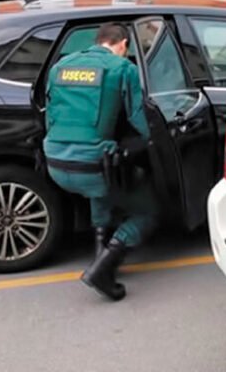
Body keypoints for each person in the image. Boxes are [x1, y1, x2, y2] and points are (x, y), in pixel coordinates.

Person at [44, 22, 152, 301]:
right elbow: (139, 118)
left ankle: (99, 253)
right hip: (93, 166)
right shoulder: (123, 69)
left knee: (101, 189)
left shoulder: (60, 67)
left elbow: (50, 116)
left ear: (97, 41)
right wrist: (156, 139)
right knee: (147, 212)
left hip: (55, 163)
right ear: (123, 45)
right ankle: (105, 267)